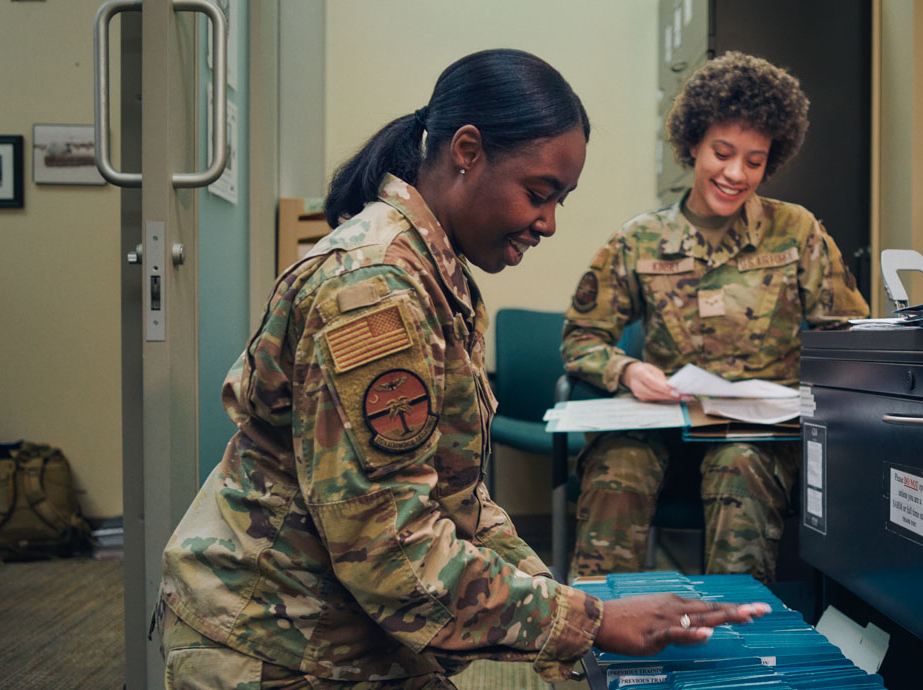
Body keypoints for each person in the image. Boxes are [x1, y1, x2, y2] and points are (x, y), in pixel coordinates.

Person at [157, 49, 769, 689]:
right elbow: (394, 554)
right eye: (539, 193)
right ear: (467, 151)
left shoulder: (431, 272)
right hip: (273, 643)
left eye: (561, 199)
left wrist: (568, 617)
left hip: (349, 624)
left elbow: (458, 503)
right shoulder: (376, 290)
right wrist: (592, 623)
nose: (550, 222)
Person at [562, 51, 869, 583]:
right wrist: (629, 372)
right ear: (693, 144)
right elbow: (581, 338)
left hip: (758, 435)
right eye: (722, 153)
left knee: (742, 466)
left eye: (754, 161)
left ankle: (735, 644)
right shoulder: (639, 239)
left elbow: (844, 338)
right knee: (616, 465)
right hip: (664, 425)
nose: (734, 174)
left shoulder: (795, 231)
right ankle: (597, 638)